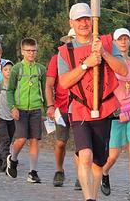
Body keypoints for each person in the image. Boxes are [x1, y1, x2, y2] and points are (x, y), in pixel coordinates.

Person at [58, 2, 128, 201]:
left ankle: (93, 197)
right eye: (79, 20)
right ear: (72, 22)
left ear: (93, 20)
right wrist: (85, 65)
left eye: (87, 19)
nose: (83, 23)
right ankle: (88, 198)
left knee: (99, 162)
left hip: (103, 108)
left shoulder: (106, 42)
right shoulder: (65, 51)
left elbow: (123, 70)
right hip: (80, 108)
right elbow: (64, 82)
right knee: (85, 155)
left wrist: (104, 54)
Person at [101, 28, 130, 200]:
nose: (123, 42)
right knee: (113, 155)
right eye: (120, 39)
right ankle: (104, 172)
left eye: (126, 38)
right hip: (116, 113)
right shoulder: (110, 63)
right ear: (114, 42)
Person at [5, 37, 47, 184]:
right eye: (28, 51)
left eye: (33, 51)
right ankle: (13, 158)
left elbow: (45, 89)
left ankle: (32, 172)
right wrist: (12, 107)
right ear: (22, 51)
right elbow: (10, 90)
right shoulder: (17, 68)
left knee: (35, 139)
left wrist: (48, 108)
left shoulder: (41, 69)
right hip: (20, 108)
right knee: (21, 139)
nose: (31, 54)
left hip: (36, 108)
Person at [45, 30, 75, 188]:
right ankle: (59, 169)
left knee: (81, 143)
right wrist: (50, 105)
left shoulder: (83, 58)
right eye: (70, 39)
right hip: (61, 108)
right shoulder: (56, 59)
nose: (72, 42)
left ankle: (81, 174)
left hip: (79, 108)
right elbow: (49, 84)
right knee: (61, 141)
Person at [0, 60, 15, 172]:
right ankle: (7, 164)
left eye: (11, 70)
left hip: (12, 117)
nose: (8, 72)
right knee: (5, 140)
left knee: (7, 140)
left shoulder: (16, 85)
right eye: (5, 70)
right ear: (1, 71)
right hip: (1, 117)